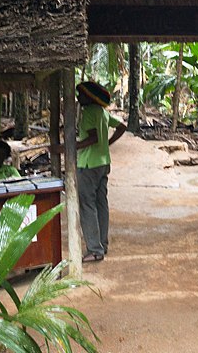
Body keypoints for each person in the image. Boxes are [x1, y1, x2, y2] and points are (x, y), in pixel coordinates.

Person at [51, 81, 126, 263]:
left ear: (89, 97)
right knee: (101, 204)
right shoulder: (102, 112)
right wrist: (107, 144)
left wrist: (66, 148)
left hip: (88, 165)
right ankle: (102, 244)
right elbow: (121, 127)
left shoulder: (88, 113)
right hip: (103, 164)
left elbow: (92, 138)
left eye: (81, 95)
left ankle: (94, 249)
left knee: (87, 206)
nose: (78, 98)